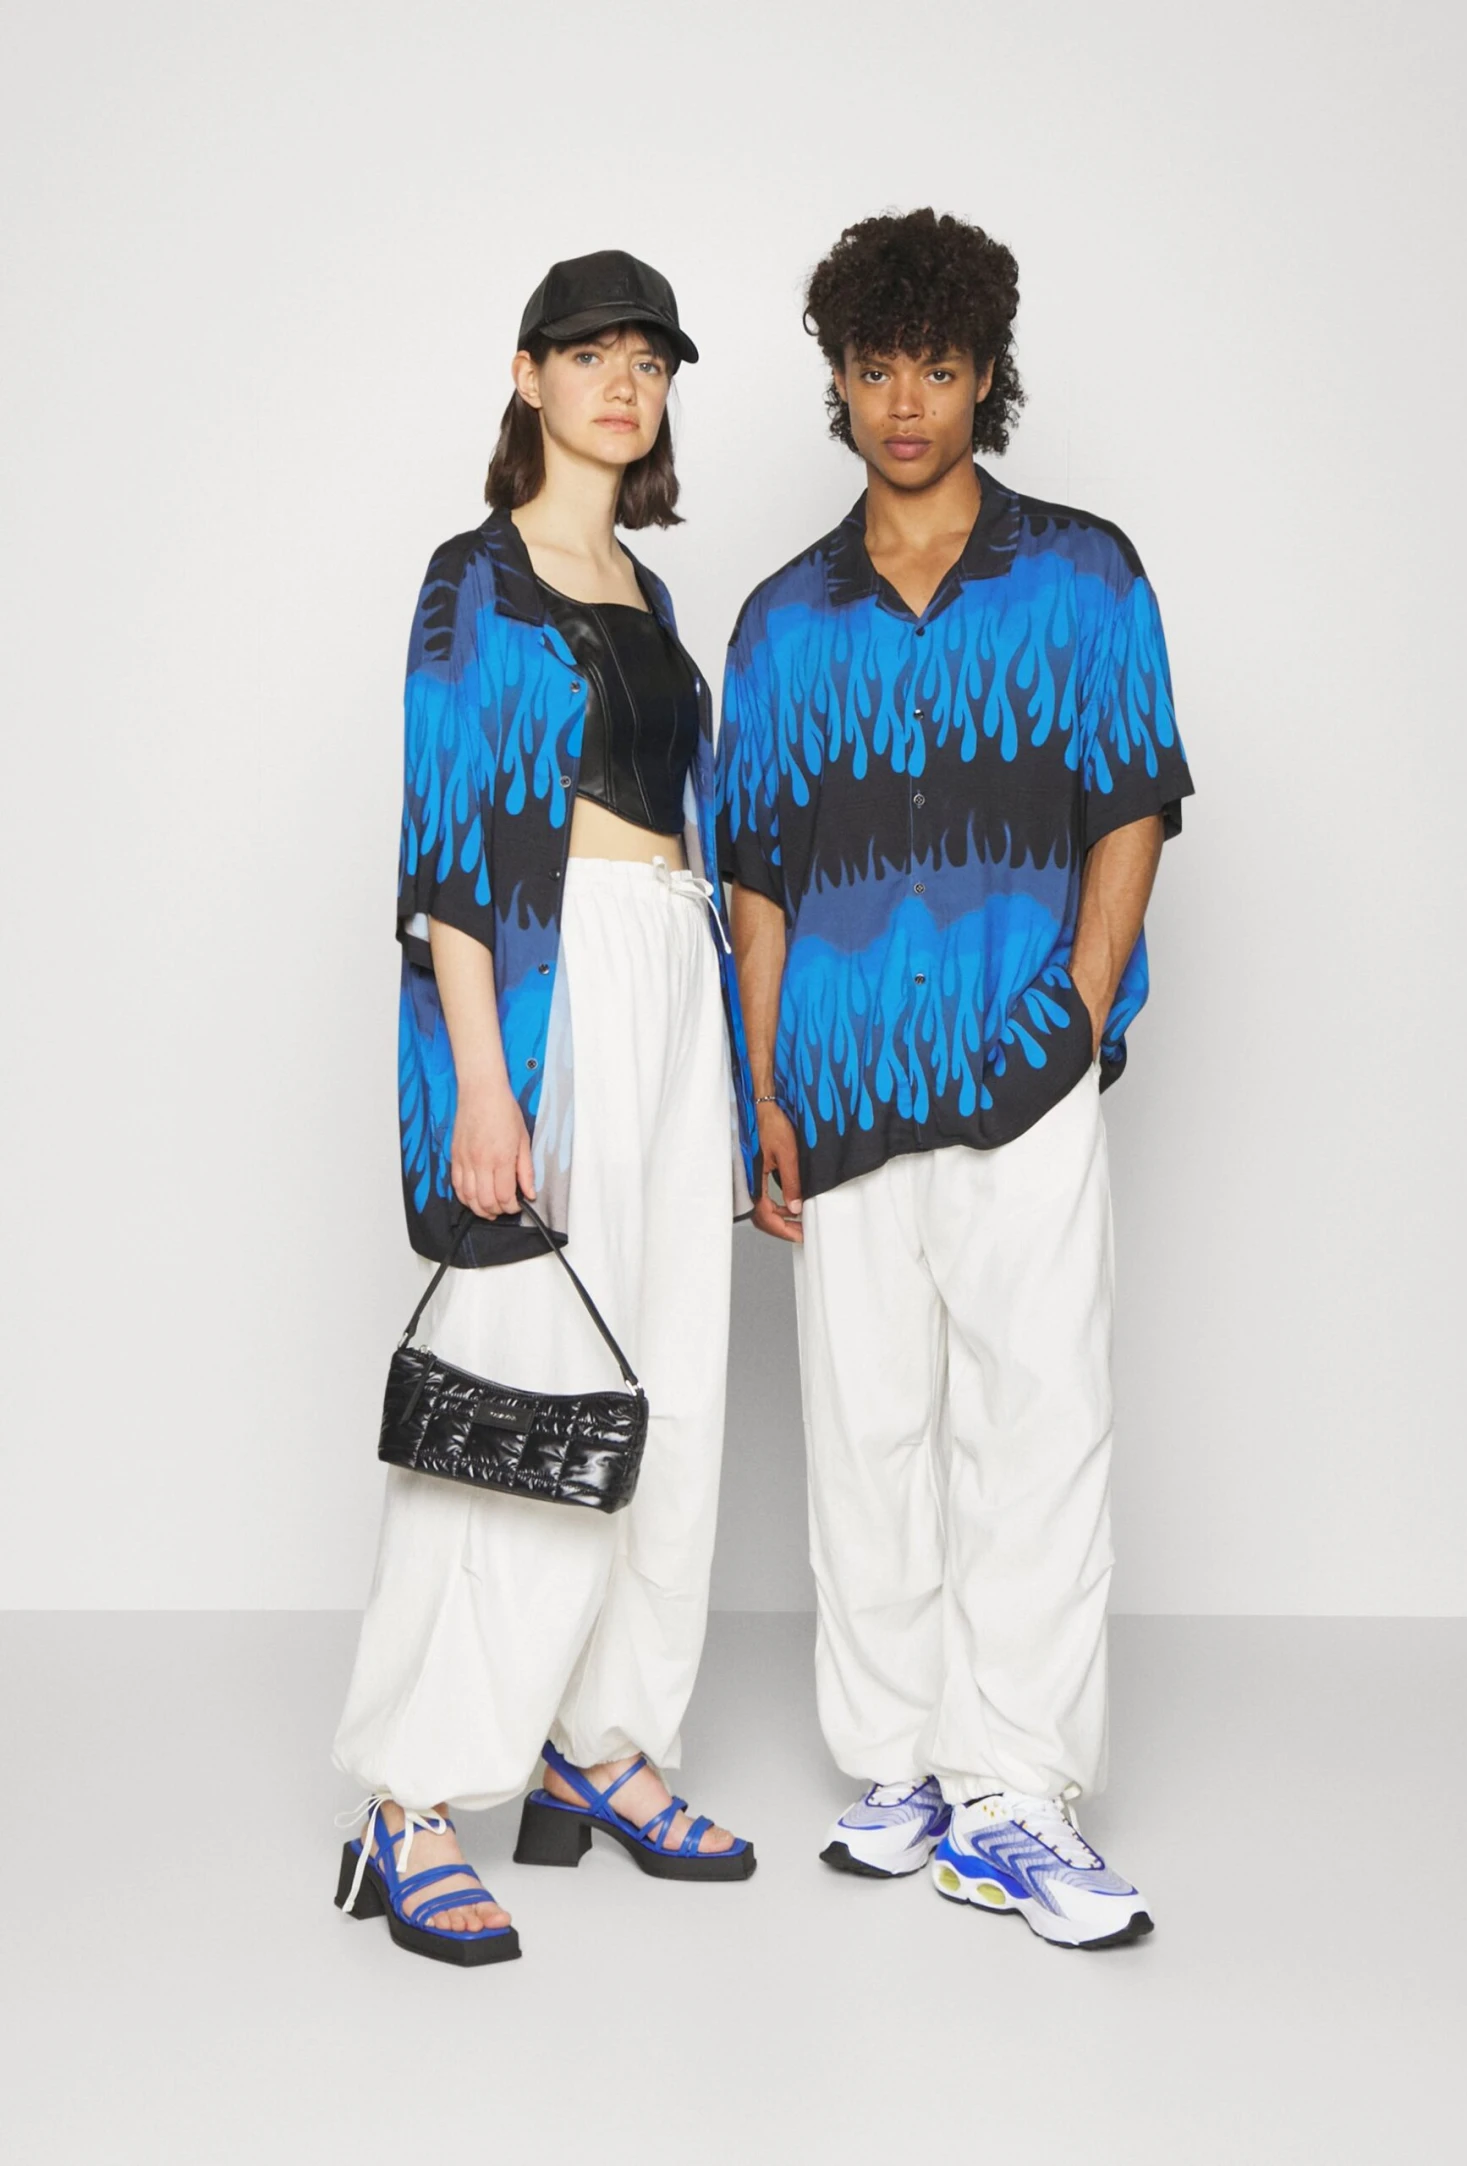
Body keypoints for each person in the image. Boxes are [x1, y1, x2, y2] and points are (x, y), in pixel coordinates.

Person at [716, 209, 1193, 1950]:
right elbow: (756, 873)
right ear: (838, 382)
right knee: (867, 1436)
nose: (904, 401)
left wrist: (1076, 1007)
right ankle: (905, 1757)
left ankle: (1017, 1786)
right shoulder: (782, 622)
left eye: (937, 365)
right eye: (875, 367)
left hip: (1019, 1067)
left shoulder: (1086, 577)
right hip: (840, 1083)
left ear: (988, 374)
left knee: (1037, 1423)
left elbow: (1132, 798)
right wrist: (762, 1086)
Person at [333, 251, 759, 1967]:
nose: (623, 381)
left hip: (672, 967)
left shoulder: (648, 589)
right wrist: (486, 1080)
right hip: (546, 980)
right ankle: (412, 1793)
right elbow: (448, 844)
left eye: (648, 358)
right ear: (530, 376)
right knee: (517, 1383)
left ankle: (602, 1741)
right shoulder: (474, 582)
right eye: (591, 353)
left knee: (671, 1366)